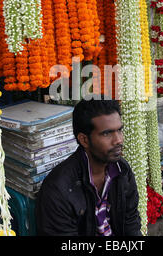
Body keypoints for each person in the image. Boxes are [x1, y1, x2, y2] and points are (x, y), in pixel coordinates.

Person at [35, 98, 141, 236]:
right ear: (84, 139)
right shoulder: (59, 188)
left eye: (119, 130)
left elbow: (131, 224)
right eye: (107, 133)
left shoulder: (122, 170)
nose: (118, 140)